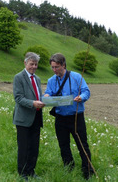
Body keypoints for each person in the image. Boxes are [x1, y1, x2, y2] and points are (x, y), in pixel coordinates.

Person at [44, 53, 94, 180]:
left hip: (76, 117)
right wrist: (47, 97)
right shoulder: (51, 80)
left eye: (57, 67)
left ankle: (87, 170)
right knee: (63, 144)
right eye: (52, 67)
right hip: (60, 118)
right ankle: (69, 167)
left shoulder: (76, 77)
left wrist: (81, 97)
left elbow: (86, 91)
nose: (54, 70)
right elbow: (47, 94)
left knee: (82, 144)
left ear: (63, 65)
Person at [13, 52, 45, 181]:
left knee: (34, 147)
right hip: (23, 118)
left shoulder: (37, 78)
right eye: (31, 64)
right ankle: (22, 173)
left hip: (36, 116)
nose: (34, 66)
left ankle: (31, 171)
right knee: (24, 147)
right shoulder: (18, 77)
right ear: (25, 63)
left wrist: (45, 100)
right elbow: (18, 98)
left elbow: (38, 96)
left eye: (36, 64)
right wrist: (33, 103)